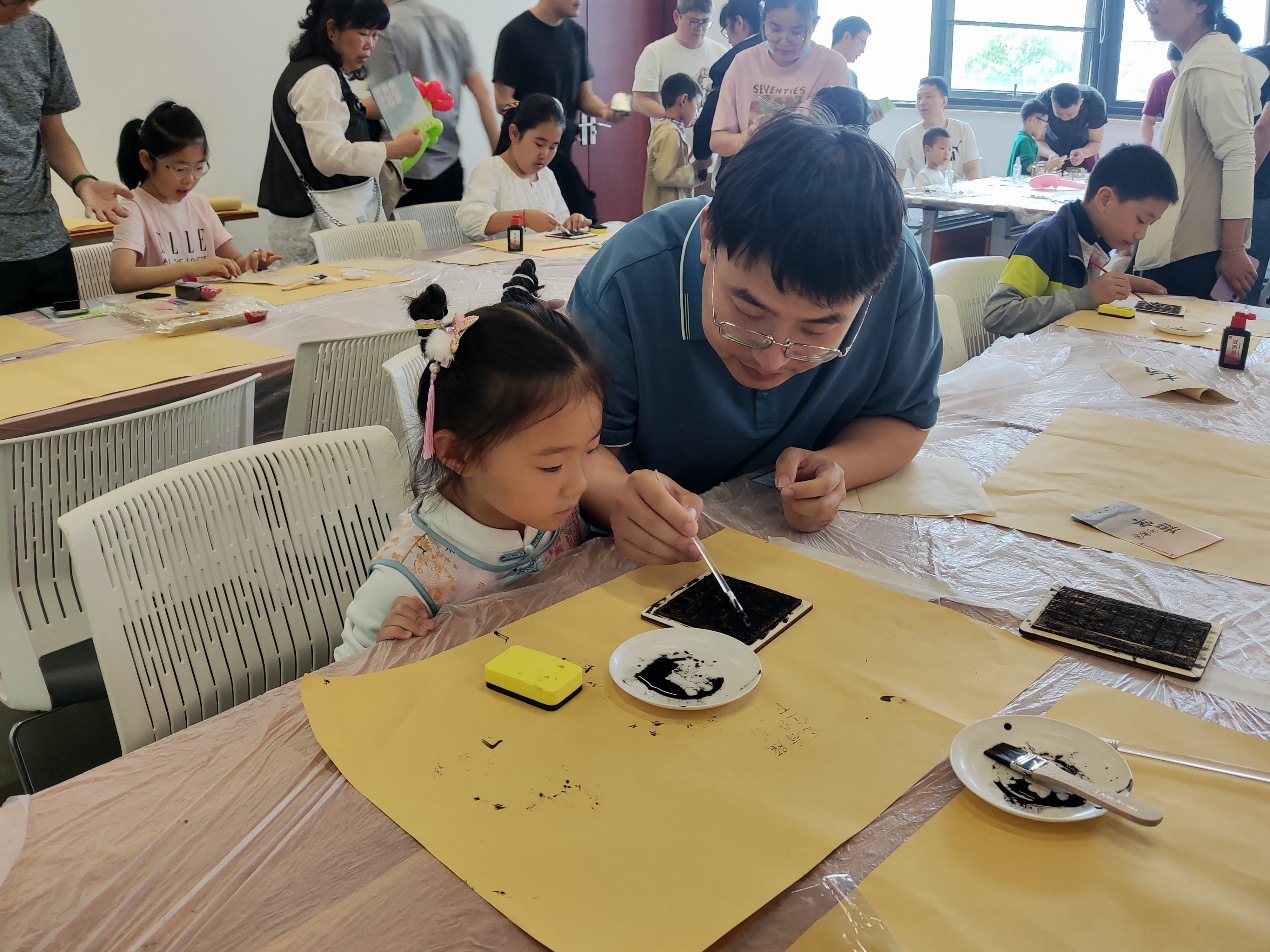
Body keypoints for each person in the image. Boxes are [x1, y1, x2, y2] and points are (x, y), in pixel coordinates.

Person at [569, 113, 942, 566]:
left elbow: (903, 418)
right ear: (709, 234)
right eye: (748, 312)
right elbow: (574, 451)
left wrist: (839, 467)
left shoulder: (896, 267)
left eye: (816, 330)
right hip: (645, 561)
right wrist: (620, 500)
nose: (771, 360)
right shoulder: (628, 280)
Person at [335, 268, 604, 659]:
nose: (579, 483)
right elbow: (342, 680)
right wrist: (389, 656)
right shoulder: (410, 578)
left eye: (592, 449)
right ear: (459, 454)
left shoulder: (549, 508)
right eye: (552, 466)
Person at [259, 0, 424, 266]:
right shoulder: (320, 76)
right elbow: (330, 156)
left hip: (319, 223)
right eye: (363, 33)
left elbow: (344, 112)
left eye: (376, 35)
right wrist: (395, 148)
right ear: (332, 30)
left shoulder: (318, 69)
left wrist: (403, 100)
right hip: (315, 229)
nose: (370, 45)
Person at [0, 3, 131, 314]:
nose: (25, 11)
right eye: (14, 1)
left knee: (66, 344)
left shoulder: (37, 31)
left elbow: (53, 132)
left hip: (45, 246)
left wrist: (83, 181)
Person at [1135, 0, 1263, 300]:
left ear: (1200, 5)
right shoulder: (1198, 59)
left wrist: (1232, 248)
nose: (1150, 8)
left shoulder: (1212, 63)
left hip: (1196, 250)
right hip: (1184, 242)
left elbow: (1239, 154)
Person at [983, 145, 1177, 338]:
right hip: (1028, 355)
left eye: (1150, 224)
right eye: (1141, 220)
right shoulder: (1045, 239)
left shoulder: (1090, 241)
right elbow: (997, 314)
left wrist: (1118, 284)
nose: (1142, 235)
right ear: (1105, 199)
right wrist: (1087, 296)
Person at [110, 103, 282, 293]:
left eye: (199, 168)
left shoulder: (199, 204)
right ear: (147, 160)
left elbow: (235, 262)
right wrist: (190, 268)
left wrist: (252, 262)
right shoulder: (133, 208)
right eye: (180, 169)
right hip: (160, 309)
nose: (190, 179)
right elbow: (121, 278)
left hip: (206, 305)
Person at [493, 0, 625, 223]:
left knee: (582, 219)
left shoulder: (577, 35)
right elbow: (503, 100)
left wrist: (605, 111)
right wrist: (540, 120)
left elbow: (585, 96)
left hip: (559, 153)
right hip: (523, 156)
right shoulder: (515, 33)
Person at [364, 0, 500, 207]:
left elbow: (387, 101)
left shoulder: (383, 30)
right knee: (450, 228)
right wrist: (499, 159)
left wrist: (343, 106)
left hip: (405, 167)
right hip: (449, 163)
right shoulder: (451, 23)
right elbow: (483, 95)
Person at [711, 0, 849, 159]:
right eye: (775, 29)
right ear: (764, 21)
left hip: (807, 172)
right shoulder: (743, 62)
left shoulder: (832, 65)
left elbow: (840, 142)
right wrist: (743, 141)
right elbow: (717, 140)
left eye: (796, 32)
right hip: (753, 171)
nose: (784, 41)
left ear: (814, 24)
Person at [457, 95, 589, 241]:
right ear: (514, 133)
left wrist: (571, 223)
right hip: (500, 255)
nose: (544, 154)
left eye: (553, 147)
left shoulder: (546, 175)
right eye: (539, 144)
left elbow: (559, 223)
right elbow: (470, 220)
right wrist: (523, 218)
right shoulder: (490, 170)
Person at [692, 0, 763, 166]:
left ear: (739, 22)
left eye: (726, 30)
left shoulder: (728, 64)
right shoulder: (776, 54)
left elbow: (705, 133)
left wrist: (701, 150)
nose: (729, 40)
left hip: (741, 164)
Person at [632, 0, 726, 121]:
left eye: (705, 22)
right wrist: (676, 117)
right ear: (677, 17)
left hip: (709, 132)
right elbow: (639, 100)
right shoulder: (655, 52)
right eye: (694, 22)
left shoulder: (721, 53)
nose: (700, 28)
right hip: (670, 132)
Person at [893, 77, 980, 185]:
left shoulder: (963, 129)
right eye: (919, 98)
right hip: (925, 194)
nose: (922, 102)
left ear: (944, 101)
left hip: (956, 193)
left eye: (928, 96)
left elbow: (972, 172)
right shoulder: (907, 137)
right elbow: (896, 180)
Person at [644, 74, 703, 212]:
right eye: (697, 105)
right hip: (666, 212)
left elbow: (676, 170)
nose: (697, 113)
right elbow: (664, 175)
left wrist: (696, 170)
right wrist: (694, 167)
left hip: (668, 210)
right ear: (684, 100)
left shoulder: (667, 129)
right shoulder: (670, 133)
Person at [1244, 44, 1270, 304]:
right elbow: (1264, 127)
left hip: (1257, 188)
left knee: (1244, 282)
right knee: (1247, 279)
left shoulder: (1250, 58)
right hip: (1260, 187)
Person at [1036, 83, 1107, 171]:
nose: (1064, 118)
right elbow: (1037, 141)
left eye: (1069, 114)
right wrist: (1050, 154)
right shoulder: (1041, 103)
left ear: (1081, 102)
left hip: (1085, 150)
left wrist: (1083, 153)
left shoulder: (1095, 101)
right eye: (1059, 114)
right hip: (1049, 148)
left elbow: (1096, 142)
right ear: (1051, 101)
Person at [830, 16, 884, 123]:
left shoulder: (852, 76)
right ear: (847, 36)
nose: (863, 50)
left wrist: (868, 120)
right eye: (862, 42)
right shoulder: (819, 67)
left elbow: (853, 123)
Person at [1141, 45, 1183, 145]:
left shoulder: (1204, 81)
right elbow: (1148, 120)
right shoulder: (1161, 82)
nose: (1180, 74)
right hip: (1171, 142)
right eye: (1176, 69)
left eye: (1184, 69)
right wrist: (1147, 149)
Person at [1007, 99, 1049, 176]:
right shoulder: (1024, 140)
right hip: (1019, 182)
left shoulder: (1027, 139)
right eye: (1044, 124)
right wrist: (1050, 164)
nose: (1045, 128)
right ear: (1033, 120)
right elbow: (1030, 167)